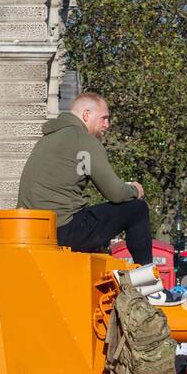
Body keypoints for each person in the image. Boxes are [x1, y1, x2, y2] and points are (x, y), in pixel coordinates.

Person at [18, 91, 153, 266]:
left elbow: (80, 171)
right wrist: (134, 189)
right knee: (137, 209)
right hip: (63, 230)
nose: (107, 125)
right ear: (86, 115)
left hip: (32, 230)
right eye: (103, 118)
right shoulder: (83, 140)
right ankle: (149, 280)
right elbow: (115, 193)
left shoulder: (48, 139)